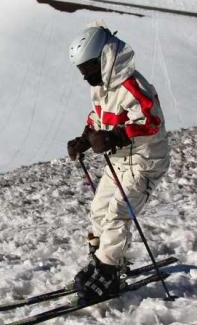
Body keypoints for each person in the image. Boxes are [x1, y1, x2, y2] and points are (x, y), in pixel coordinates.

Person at [66, 24, 171, 301]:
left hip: (144, 161)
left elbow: (151, 122)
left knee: (117, 214)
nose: (86, 76)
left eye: (89, 67)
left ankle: (109, 271)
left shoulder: (133, 85)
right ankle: (103, 261)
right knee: (99, 211)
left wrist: (115, 137)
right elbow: (98, 118)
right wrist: (84, 139)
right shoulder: (102, 87)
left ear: (106, 57)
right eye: (82, 70)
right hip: (119, 161)